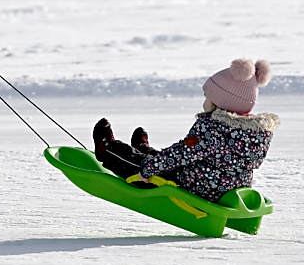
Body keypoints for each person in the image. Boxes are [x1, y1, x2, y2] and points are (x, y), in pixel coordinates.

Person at [93, 58, 280, 202]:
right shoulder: (258, 133)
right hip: (228, 187)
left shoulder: (212, 127)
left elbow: (181, 153)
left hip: (196, 185)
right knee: (165, 158)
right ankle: (143, 149)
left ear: (221, 102)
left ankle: (109, 149)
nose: (204, 101)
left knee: (147, 164)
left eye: (208, 97)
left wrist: (148, 170)